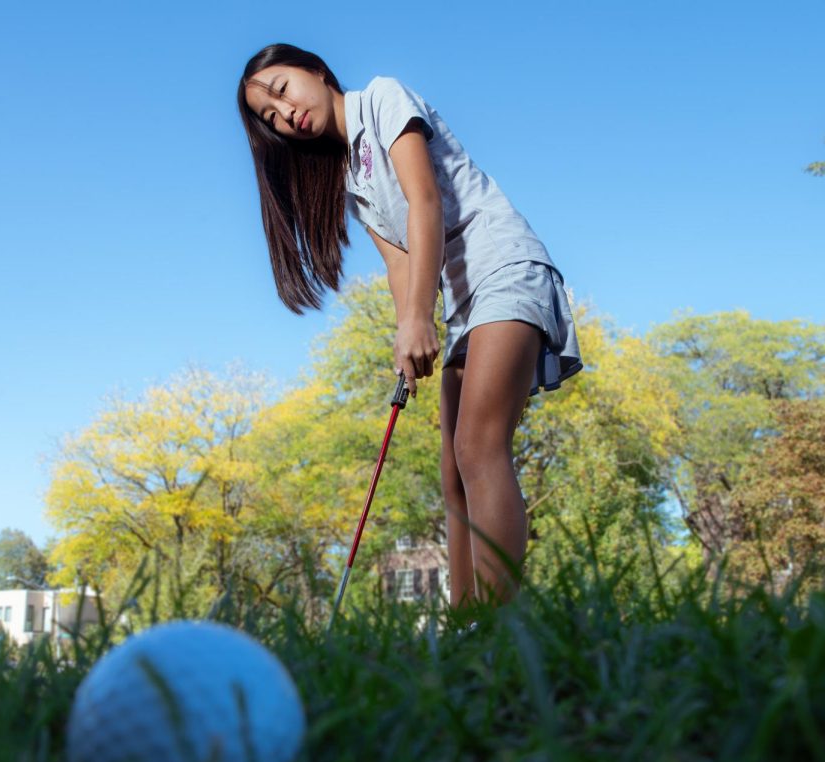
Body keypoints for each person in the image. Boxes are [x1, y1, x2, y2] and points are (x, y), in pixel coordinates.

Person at [238, 44, 582, 607]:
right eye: (271, 119)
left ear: (315, 70)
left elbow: (426, 202)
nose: (285, 115)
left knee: (478, 447)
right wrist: (407, 333)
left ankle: (499, 629)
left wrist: (420, 316)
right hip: (465, 302)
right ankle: (466, 629)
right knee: (453, 474)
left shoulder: (382, 98)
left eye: (281, 91)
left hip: (506, 267)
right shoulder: (352, 180)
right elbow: (400, 262)